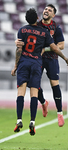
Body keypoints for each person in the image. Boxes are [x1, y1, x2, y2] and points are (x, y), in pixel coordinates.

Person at [11, 8, 68, 136]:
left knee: (21, 92)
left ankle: (19, 119)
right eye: (45, 9)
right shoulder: (43, 31)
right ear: (37, 17)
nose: (46, 11)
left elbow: (19, 49)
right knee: (34, 92)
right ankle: (32, 121)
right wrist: (65, 58)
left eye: (49, 10)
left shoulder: (22, 30)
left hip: (25, 62)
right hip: (37, 62)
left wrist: (15, 65)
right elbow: (55, 47)